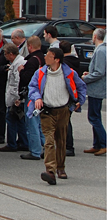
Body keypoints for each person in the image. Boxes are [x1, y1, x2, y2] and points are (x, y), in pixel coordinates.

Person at [28, 47, 87, 185]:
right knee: (49, 141)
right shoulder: (40, 73)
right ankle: (50, 170)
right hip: (47, 111)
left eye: (49, 56)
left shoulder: (69, 73)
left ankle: (61, 168)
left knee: (61, 141)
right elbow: (33, 87)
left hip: (63, 110)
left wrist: (79, 101)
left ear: (56, 59)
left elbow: (81, 87)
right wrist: (37, 97)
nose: (45, 58)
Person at [19, 36, 46, 161]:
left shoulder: (32, 61)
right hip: (42, 93)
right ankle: (46, 147)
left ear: (30, 46)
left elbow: (26, 79)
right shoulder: (43, 58)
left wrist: (21, 71)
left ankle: (35, 150)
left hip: (32, 94)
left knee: (32, 123)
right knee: (39, 123)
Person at [0, 43, 28, 152]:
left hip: (14, 97)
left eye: (6, 54)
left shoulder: (18, 64)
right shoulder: (16, 63)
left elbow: (17, 82)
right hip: (16, 96)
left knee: (11, 119)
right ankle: (24, 142)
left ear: (11, 54)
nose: (5, 57)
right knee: (20, 120)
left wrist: (17, 98)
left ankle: (11, 144)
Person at [82, 28, 106, 156]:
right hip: (95, 87)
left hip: (97, 88)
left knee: (94, 117)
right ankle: (97, 144)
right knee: (95, 116)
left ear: (95, 36)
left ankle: (103, 143)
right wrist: (89, 73)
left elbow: (100, 72)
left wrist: (86, 78)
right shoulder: (100, 49)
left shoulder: (101, 50)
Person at [60, 41, 80, 156]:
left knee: (65, 121)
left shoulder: (65, 64)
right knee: (67, 120)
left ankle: (68, 146)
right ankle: (67, 145)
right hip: (73, 93)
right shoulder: (75, 61)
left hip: (67, 94)